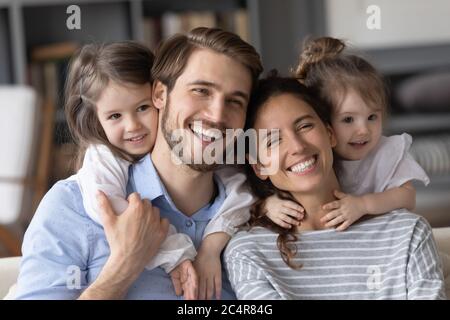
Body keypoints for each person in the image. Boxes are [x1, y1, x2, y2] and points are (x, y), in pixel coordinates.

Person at [15, 27, 263, 299]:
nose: (217, 115)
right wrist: (123, 267)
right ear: (159, 94)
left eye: (234, 101)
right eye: (201, 90)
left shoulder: (259, 213)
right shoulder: (74, 206)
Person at [224, 74, 446, 300]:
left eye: (305, 126)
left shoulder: (407, 233)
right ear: (260, 166)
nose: (298, 147)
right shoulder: (248, 252)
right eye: (273, 140)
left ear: (330, 134)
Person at [264, 37, 429, 231]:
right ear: (325, 125)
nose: (364, 130)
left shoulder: (386, 153)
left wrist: (363, 204)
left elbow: (408, 197)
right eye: (348, 120)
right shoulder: (312, 160)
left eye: (372, 117)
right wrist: (268, 205)